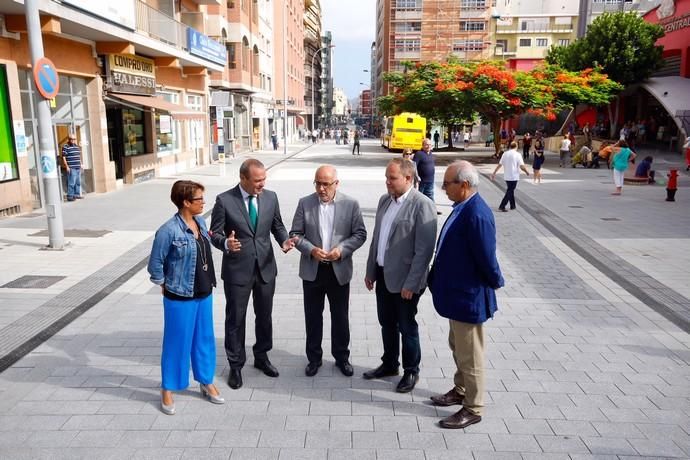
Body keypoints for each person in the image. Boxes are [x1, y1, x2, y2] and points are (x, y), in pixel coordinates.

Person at [428, 161, 504, 429]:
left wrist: (496, 282)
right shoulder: (462, 207)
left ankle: (473, 407)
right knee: (457, 347)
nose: (442, 187)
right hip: (456, 295)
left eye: (447, 183)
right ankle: (460, 390)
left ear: (464, 185)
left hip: (469, 297)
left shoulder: (477, 214)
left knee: (471, 355)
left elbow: (486, 258)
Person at [210, 159, 297, 389]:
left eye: (264, 179)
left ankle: (262, 357)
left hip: (266, 267)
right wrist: (225, 243)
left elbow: (277, 225)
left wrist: (284, 240)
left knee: (264, 316)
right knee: (236, 319)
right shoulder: (224, 200)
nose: (262, 184)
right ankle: (236, 365)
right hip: (237, 271)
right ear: (243, 179)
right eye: (257, 180)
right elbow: (214, 233)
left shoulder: (271, 197)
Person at [148, 180, 224, 415]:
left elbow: (206, 247)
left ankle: (205, 380)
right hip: (180, 295)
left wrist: (227, 244)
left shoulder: (200, 221)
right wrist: (164, 284)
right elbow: (155, 264)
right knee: (177, 343)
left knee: (204, 340)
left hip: (204, 292)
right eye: (199, 199)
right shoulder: (168, 230)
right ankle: (168, 388)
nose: (203, 202)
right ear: (186, 202)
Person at [363, 158, 437, 393]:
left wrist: (412, 283)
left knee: (406, 326)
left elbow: (424, 250)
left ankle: (411, 370)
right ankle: (389, 364)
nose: (387, 183)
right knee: (386, 323)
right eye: (386, 177)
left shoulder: (422, 204)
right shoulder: (385, 201)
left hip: (406, 280)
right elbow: (378, 239)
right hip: (384, 275)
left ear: (408, 178)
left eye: (392, 178)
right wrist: (370, 270)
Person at [290, 165, 367, 377]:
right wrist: (310, 249)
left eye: (326, 184)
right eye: (318, 183)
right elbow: (295, 234)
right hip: (312, 270)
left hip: (338, 270)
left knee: (340, 317)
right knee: (313, 317)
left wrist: (342, 250)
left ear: (336, 183)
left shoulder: (350, 204)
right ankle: (314, 358)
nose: (321, 189)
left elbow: (360, 234)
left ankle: (342, 357)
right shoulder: (305, 203)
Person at [490, 141, 530, 212]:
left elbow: (500, 164)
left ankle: (512, 205)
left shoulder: (505, 154)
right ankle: (502, 205)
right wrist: (526, 171)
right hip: (514, 176)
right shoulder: (518, 154)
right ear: (516, 146)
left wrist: (494, 173)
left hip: (507, 176)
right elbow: (521, 166)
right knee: (510, 190)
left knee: (510, 190)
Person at [412, 138, 436, 205]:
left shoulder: (431, 154)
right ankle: (416, 211)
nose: (428, 146)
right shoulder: (419, 154)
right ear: (422, 145)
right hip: (421, 181)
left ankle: (433, 209)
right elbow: (414, 166)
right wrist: (417, 177)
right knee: (419, 197)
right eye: (426, 145)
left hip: (430, 180)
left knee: (430, 196)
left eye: (430, 145)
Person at [60, 134, 83, 201]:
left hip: (78, 167)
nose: (73, 140)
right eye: (71, 139)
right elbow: (64, 157)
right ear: (69, 139)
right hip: (71, 167)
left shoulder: (76, 146)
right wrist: (67, 166)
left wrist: (81, 164)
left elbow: (78, 156)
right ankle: (70, 196)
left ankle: (77, 194)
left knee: (78, 182)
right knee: (71, 182)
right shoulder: (65, 146)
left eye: (74, 139)